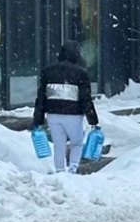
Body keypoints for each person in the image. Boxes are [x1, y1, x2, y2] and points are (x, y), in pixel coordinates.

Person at [32, 43, 98, 173]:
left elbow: (41, 98)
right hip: (74, 115)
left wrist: (38, 119)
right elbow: (85, 99)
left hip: (53, 114)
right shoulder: (81, 73)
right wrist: (93, 119)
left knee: (59, 145)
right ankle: (72, 170)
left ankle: (60, 171)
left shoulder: (47, 71)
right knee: (77, 143)